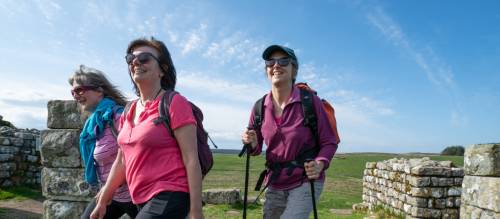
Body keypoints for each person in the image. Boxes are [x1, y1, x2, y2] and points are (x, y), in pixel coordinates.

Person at [91, 37, 203, 219]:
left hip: (171, 192)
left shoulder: (175, 102)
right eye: (130, 59)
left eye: (144, 58)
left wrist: (196, 211)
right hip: (140, 197)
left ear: (163, 69)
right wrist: (105, 195)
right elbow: (122, 161)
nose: (135, 62)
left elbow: (191, 159)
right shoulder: (129, 109)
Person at [241, 45, 339, 219]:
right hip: (275, 182)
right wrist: (252, 142)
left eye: (284, 61)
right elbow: (254, 148)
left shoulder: (310, 101)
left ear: (294, 71)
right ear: (267, 70)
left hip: (305, 180)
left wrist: (320, 164)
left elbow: (329, 141)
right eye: (270, 62)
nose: (276, 65)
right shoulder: (259, 107)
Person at [69, 65, 138, 219]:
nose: (75, 95)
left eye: (80, 90)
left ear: (99, 90)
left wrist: (109, 188)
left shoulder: (119, 117)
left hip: (136, 194)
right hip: (111, 195)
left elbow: (137, 156)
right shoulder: (94, 124)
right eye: (73, 92)